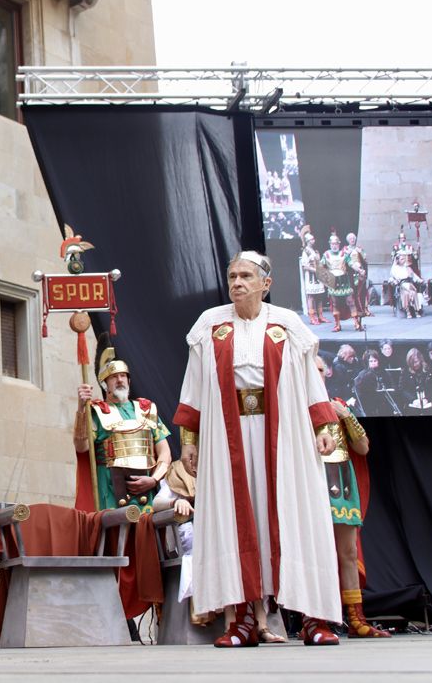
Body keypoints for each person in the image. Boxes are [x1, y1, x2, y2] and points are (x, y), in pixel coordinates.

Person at [173, 251, 341, 648]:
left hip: (286, 436)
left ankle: (313, 621)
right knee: (233, 520)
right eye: (232, 276)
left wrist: (323, 425)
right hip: (226, 435)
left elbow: (311, 382)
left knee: (296, 515)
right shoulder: (209, 325)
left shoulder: (289, 323)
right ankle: (244, 621)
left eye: (246, 276)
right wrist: (190, 440)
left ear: (266, 283)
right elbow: (193, 386)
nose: (237, 283)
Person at [313, 358, 389, 638]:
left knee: (348, 552)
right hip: (311, 483)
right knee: (315, 554)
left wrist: (345, 415)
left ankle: (357, 620)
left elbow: (363, 447)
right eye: (312, 368)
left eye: (320, 369)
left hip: (341, 484)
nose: (317, 373)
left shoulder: (339, 404)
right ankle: (316, 619)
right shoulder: (296, 407)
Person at [74, 346, 173, 511]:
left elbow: (165, 452)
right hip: (110, 489)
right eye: (113, 377)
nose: (120, 380)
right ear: (105, 385)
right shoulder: (96, 411)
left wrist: (154, 479)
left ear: (129, 381)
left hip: (145, 490)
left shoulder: (147, 409)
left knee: (144, 534)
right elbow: (81, 446)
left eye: (123, 376)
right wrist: (81, 409)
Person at [323, 233, 361, 332]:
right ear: (330, 244)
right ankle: (337, 324)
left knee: (350, 302)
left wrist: (359, 270)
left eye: (336, 244)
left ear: (339, 244)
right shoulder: (326, 254)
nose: (334, 245)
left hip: (344, 280)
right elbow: (321, 267)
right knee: (335, 304)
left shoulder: (344, 254)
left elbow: (351, 263)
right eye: (332, 244)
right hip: (333, 281)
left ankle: (356, 323)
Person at [354, 350, 396, 417]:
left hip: (384, 404)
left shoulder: (384, 373)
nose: (373, 363)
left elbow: (391, 386)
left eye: (375, 361)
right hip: (370, 405)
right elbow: (360, 393)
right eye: (371, 361)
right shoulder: (362, 375)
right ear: (367, 362)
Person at [300, 228, 326, 324]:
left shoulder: (315, 250)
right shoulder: (305, 252)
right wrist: (315, 270)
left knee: (319, 295)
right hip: (311, 277)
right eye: (311, 239)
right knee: (311, 296)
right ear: (307, 241)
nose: (313, 241)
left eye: (313, 239)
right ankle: (312, 317)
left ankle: (320, 316)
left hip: (317, 276)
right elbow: (305, 266)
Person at [343, 233, 371, 318]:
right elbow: (343, 260)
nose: (352, 240)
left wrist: (361, 254)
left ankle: (363, 309)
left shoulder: (359, 249)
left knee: (362, 291)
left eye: (353, 238)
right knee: (352, 292)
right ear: (348, 240)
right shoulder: (345, 249)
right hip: (350, 273)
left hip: (359, 273)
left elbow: (365, 259)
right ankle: (353, 310)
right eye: (350, 239)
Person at [389, 252, 424, 318]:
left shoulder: (407, 268)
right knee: (406, 293)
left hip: (409, 283)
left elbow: (415, 277)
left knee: (413, 293)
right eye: (402, 259)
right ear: (397, 260)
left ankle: (416, 311)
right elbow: (391, 279)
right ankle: (408, 312)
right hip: (402, 285)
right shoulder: (395, 269)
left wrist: (420, 280)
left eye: (404, 259)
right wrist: (394, 281)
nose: (404, 260)